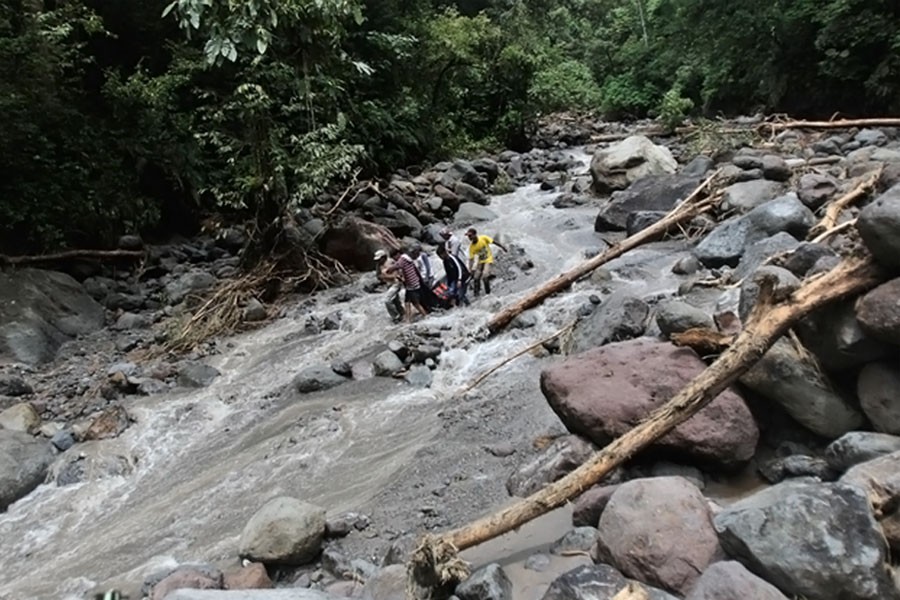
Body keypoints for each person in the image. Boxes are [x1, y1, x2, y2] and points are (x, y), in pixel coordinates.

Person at [385, 247, 429, 323]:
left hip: (412, 285)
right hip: (412, 284)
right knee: (407, 302)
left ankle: (426, 316)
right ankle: (408, 320)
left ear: (398, 254)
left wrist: (388, 270)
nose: (394, 259)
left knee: (416, 304)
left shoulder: (402, 259)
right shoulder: (406, 258)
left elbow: (396, 266)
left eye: (394, 257)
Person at [466, 227, 507, 296]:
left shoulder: (483, 238)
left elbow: (494, 242)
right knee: (476, 277)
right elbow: (471, 259)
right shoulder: (471, 247)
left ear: (475, 234)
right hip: (480, 261)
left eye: (470, 236)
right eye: (468, 236)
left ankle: (488, 293)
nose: (469, 238)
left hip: (488, 259)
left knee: (485, 276)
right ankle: (476, 294)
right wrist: (470, 270)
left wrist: (502, 247)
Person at [374, 249, 403, 322]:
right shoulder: (379, 265)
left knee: (387, 300)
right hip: (389, 284)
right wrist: (382, 275)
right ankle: (402, 313)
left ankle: (395, 317)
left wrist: (384, 277)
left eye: (379, 259)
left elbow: (396, 275)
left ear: (384, 257)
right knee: (396, 301)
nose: (378, 261)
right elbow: (378, 276)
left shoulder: (391, 262)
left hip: (396, 283)